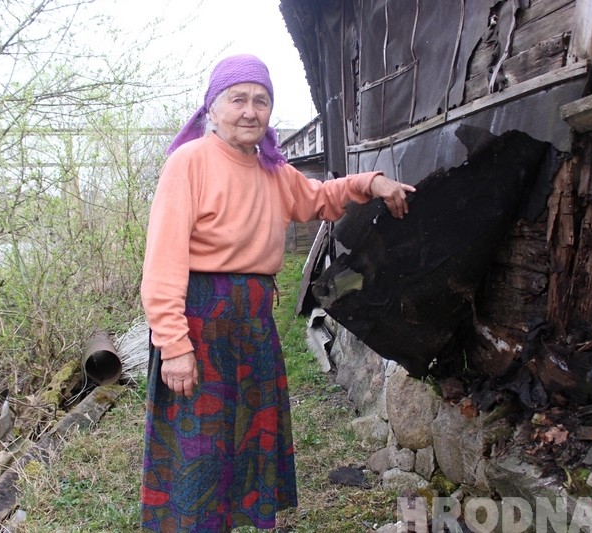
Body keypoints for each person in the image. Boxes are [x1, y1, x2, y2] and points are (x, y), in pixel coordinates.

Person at [140, 53, 415, 532]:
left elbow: (321, 199)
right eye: (238, 99)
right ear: (213, 107)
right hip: (200, 319)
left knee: (247, 431)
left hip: (251, 322)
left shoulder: (273, 170)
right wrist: (174, 345)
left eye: (261, 100)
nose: (250, 110)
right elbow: (163, 263)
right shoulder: (189, 163)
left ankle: (235, 519)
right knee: (199, 441)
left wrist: (371, 181)